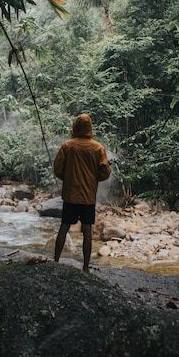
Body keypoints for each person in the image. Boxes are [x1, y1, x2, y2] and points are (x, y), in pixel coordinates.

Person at [53, 113, 112, 272]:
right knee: (87, 230)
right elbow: (105, 172)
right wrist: (93, 179)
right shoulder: (98, 148)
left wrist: (68, 177)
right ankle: (85, 267)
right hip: (88, 197)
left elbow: (58, 169)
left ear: (75, 127)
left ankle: (56, 262)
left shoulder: (67, 146)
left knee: (64, 226)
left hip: (70, 195)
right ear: (90, 127)